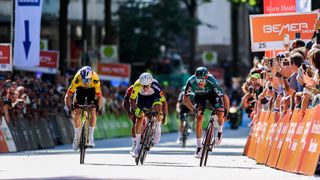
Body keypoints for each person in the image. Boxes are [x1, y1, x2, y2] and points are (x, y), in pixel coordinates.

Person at [183, 67, 230, 158]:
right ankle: (198, 147)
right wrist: (194, 110)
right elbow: (185, 100)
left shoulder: (211, 81)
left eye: (202, 80)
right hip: (200, 97)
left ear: (206, 78)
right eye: (198, 79)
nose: (200, 82)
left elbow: (225, 97)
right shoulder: (191, 81)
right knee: (199, 117)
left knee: (220, 112)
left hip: (212, 94)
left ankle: (220, 131)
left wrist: (226, 112)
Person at [130, 72, 168, 158]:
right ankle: (137, 147)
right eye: (143, 85)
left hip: (153, 97)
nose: (145, 87)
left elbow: (164, 102)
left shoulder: (156, 86)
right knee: (139, 119)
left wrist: (165, 116)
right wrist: (137, 109)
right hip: (141, 99)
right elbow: (131, 100)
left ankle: (157, 126)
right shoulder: (137, 85)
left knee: (158, 108)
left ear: (151, 83)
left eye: (147, 86)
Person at [64, 66, 102, 151]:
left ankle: (91, 137)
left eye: (87, 80)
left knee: (93, 110)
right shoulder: (77, 79)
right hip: (80, 89)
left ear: (91, 78)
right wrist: (70, 107)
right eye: (84, 80)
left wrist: (98, 107)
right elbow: (67, 96)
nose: (86, 83)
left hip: (91, 90)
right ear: (81, 78)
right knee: (77, 112)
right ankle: (77, 137)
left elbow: (100, 96)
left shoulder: (95, 78)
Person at [122, 85, 138, 154]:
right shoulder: (131, 88)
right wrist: (129, 112)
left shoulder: (149, 88)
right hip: (134, 103)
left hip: (145, 102)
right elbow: (125, 102)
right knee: (135, 123)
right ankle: (134, 143)